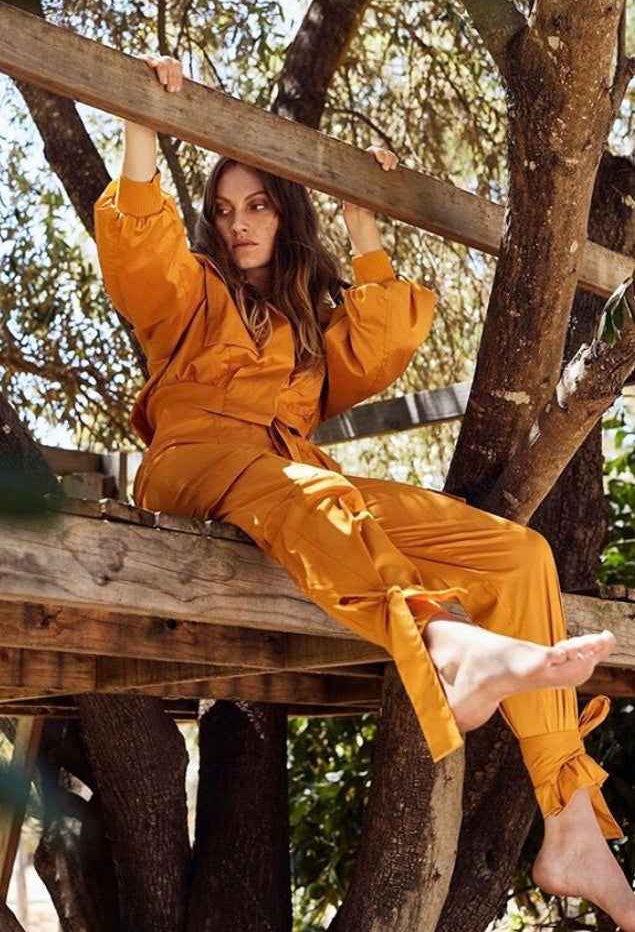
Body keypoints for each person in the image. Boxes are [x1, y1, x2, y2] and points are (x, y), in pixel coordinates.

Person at [94, 54, 635, 927]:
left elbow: (379, 343)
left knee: (516, 554)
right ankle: (446, 646)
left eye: (258, 205)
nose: (237, 224)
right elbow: (140, 255)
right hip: (199, 463)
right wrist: (140, 121)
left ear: (286, 215)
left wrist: (359, 212)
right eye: (223, 210)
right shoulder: (191, 293)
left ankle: (569, 822)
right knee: (313, 494)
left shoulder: (307, 330)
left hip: (300, 480)